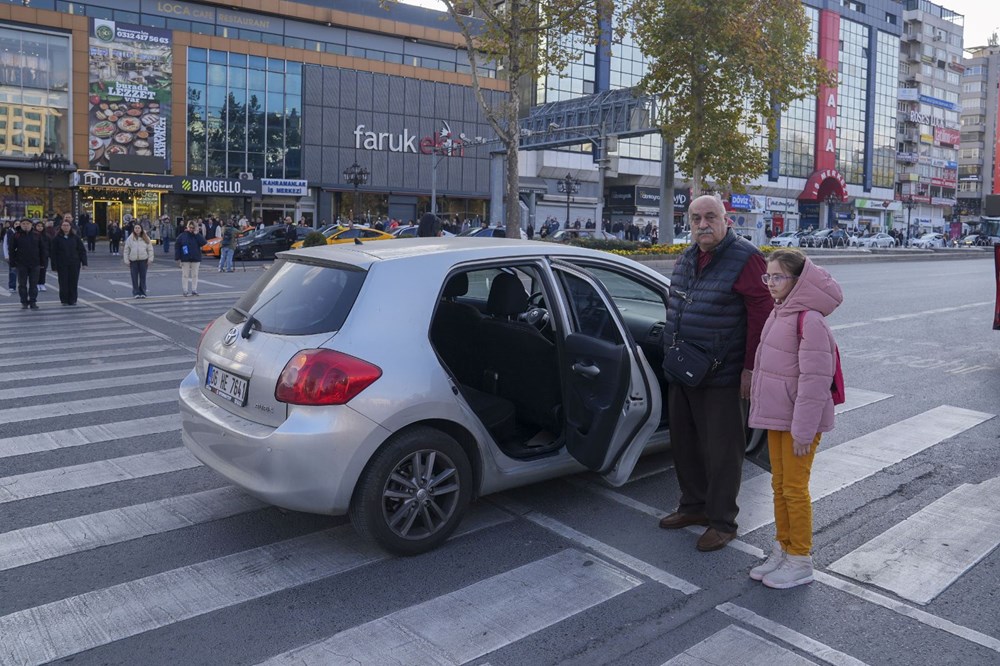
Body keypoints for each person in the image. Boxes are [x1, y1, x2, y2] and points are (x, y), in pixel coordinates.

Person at [658, 195, 772, 551]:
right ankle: (693, 506)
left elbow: (762, 317)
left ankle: (722, 521)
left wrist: (751, 369)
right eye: (695, 219)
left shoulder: (746, 258)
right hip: (684, 369)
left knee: (722, 451)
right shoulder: (689, 257)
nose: (702, 224)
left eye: (710, 217)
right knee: (686, 444)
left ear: (727, 221)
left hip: (723, 374)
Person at [748, 248, 842, 588]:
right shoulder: (780, 312)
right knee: (779, 486)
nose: (770, 283)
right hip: (778, 417)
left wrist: (803, 431)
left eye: (778, 277)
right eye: (767, 276)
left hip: (799, 422)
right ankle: (783, 547)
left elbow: (815, 382)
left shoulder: (810, 320)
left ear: (797, 281)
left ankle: (800, 558)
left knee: (794, 488)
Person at [9, 217, 47, 309]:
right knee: (22, 285)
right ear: (20, 225)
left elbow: (42, 250)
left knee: (33, 284)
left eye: (28, 224)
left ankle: (33, 301)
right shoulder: (16, 235)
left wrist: (43, 263)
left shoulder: (37, 235)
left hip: (35, 264)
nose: (26, 226)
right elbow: (11, 250)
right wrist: (12, 264)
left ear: (31, 225)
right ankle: (24, 302)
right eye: (23, 224)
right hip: (21, 264)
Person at [49, 218, 88, 306]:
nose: (66, 227)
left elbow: (82, 251)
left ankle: (73, 299)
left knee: (73, 282)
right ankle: (64, 300)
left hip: (74, 263)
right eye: (64, 225)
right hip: (62, 264)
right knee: (63, 282)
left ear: (70, 227)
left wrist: (84, 263)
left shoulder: (75, 238)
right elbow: (53, 253)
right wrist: (54, 266)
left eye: (67, 225)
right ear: (61, 227)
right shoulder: (56, 238)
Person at [123, 221, 154, 298]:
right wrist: (126, 260)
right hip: (133, 261)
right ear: (134, 229)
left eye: (138, 228)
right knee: (134, 277)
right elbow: (126, 250)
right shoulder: (130, 238)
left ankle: (143, 292)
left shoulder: (146, 238)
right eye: (135, 228)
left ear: (141, 229)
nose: (137, 229)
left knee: (143, 277)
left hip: (143, 260)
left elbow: (150, 249)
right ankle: (136, 292)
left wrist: (150, 259)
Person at [175, 220, 206, 296]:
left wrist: (197, 234)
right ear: (187, 227)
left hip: (195, 257)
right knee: (185, 275)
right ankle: (185, 290)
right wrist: (178, 258)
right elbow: (177, 246)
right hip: (185, 258)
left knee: (195, 275)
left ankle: (194, 289)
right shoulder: (183, 235)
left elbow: (203, 242)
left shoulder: (197, 235)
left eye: (193, 227)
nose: (191, 229)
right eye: (190, 227)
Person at [34, 220, 50, 292]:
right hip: (35, 256)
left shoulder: (47, 236)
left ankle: (42, 283)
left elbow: (50, 246)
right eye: (38, 226)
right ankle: (36, 284)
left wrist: (48, 253)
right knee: (36, 271)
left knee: (43, 270)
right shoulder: (33, 235)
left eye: (41, 226)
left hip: (44, 256)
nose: (40, 228)